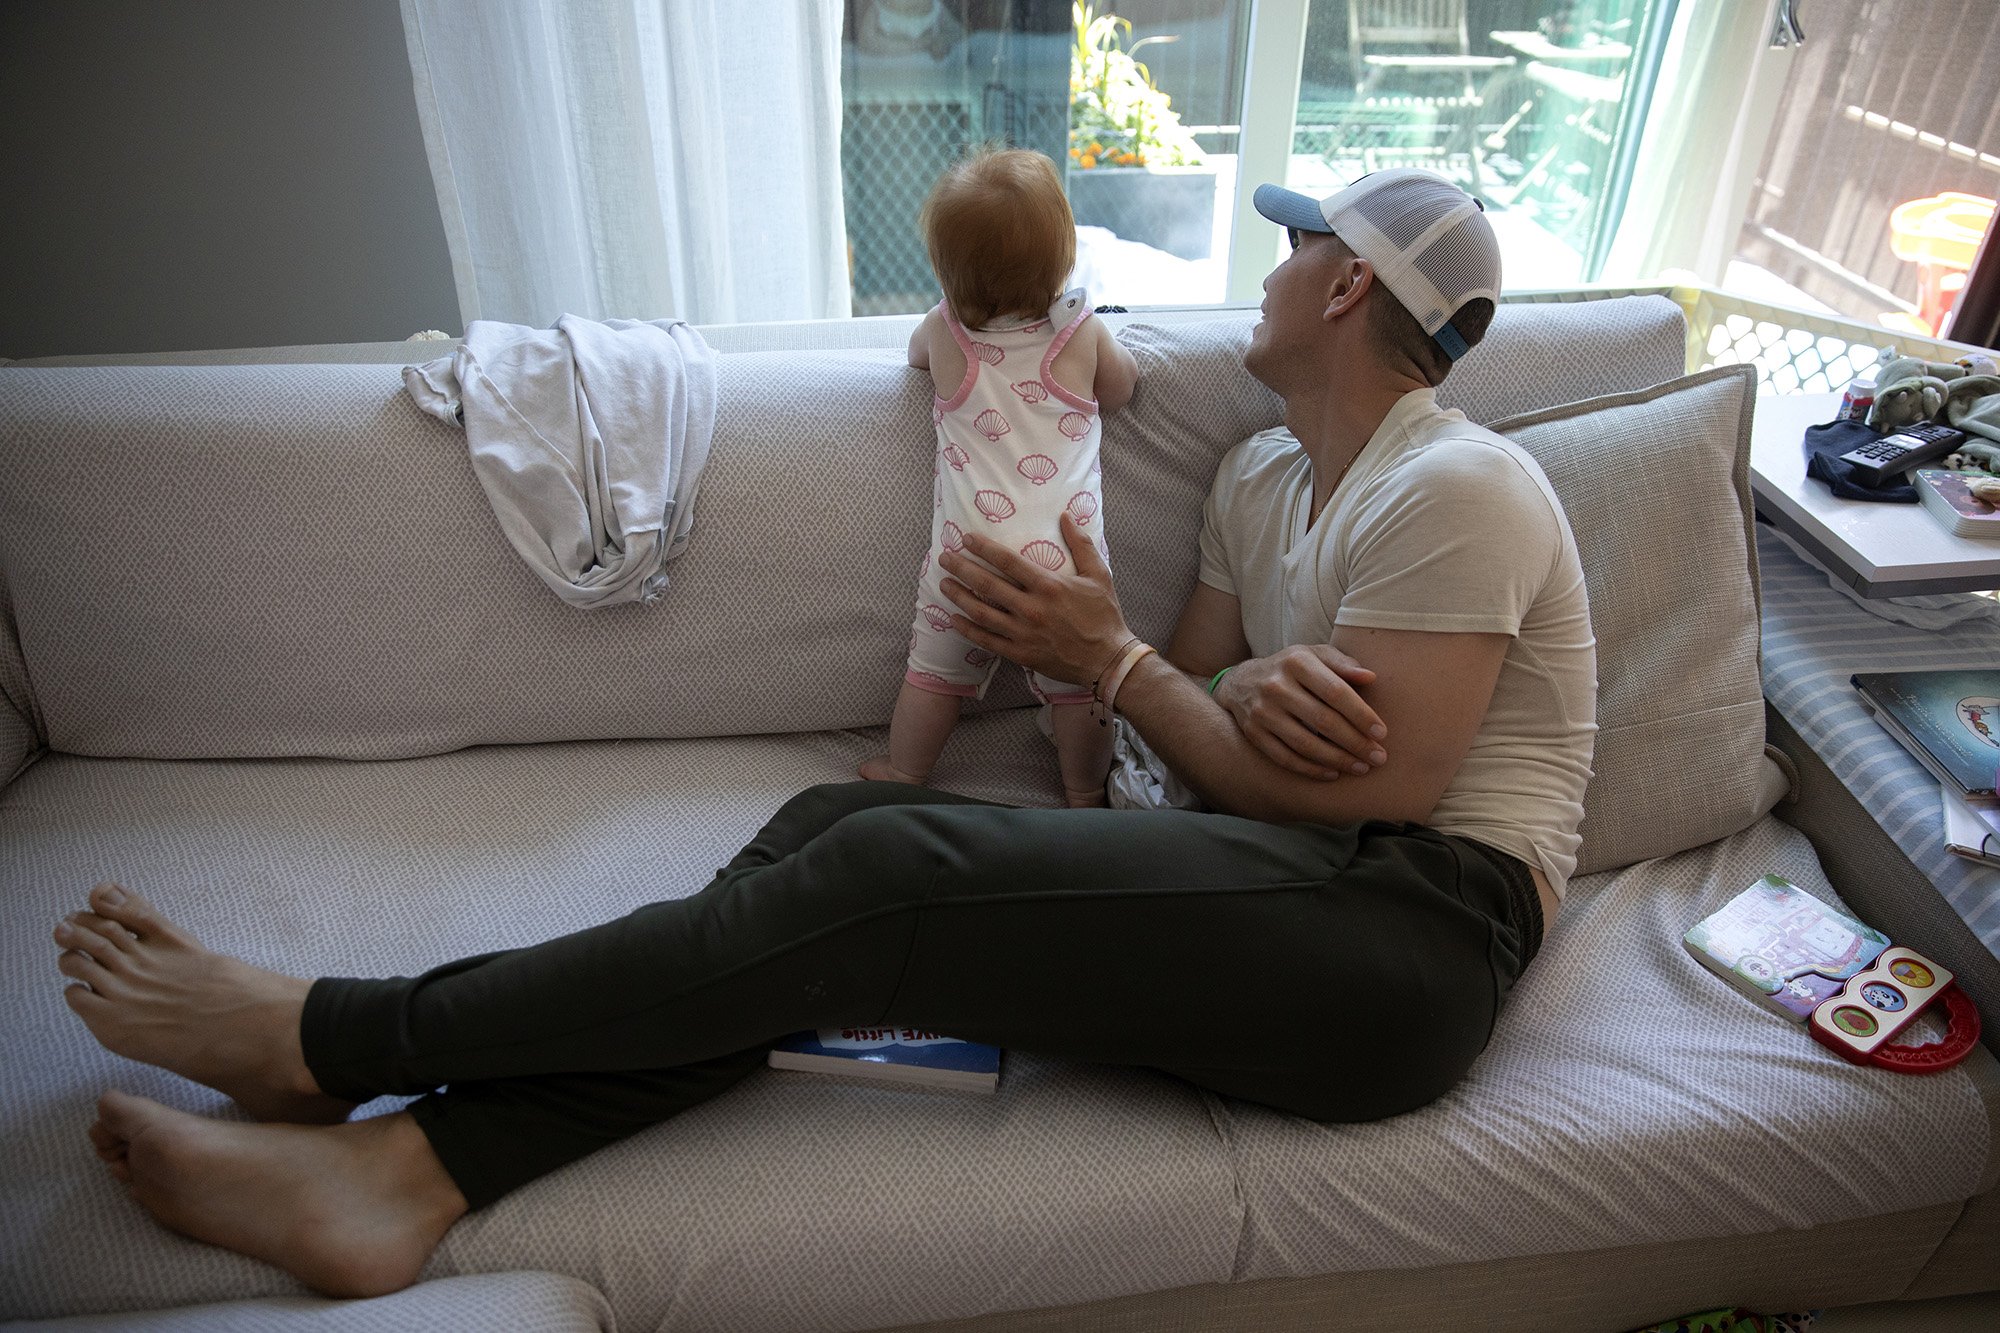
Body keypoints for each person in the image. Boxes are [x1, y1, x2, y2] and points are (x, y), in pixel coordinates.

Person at [51, 168, 1594, 1300]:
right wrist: (1215, 694)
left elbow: (1375, 787)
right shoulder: (1264, 480)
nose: (1270, 268)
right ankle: (414, 1173)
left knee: (888, 871)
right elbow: (1192, 744)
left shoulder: (1457, 487)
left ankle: (338, 1040)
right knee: (837, 837)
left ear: (1343, 288)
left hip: (1416, 940)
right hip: (1284, 878)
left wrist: (1126, 662)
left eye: (1297, 241)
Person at [859, 146, 1139, 806]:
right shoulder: (1081, 337)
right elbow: (1124, 390)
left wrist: (954, 312)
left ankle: (907, 770)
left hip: (968, 564)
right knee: (1081, 686)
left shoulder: (945, 332)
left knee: (931, 677)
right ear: (1061, 258)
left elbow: (913, 359)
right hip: (1066, 566)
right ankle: (1082, 789)